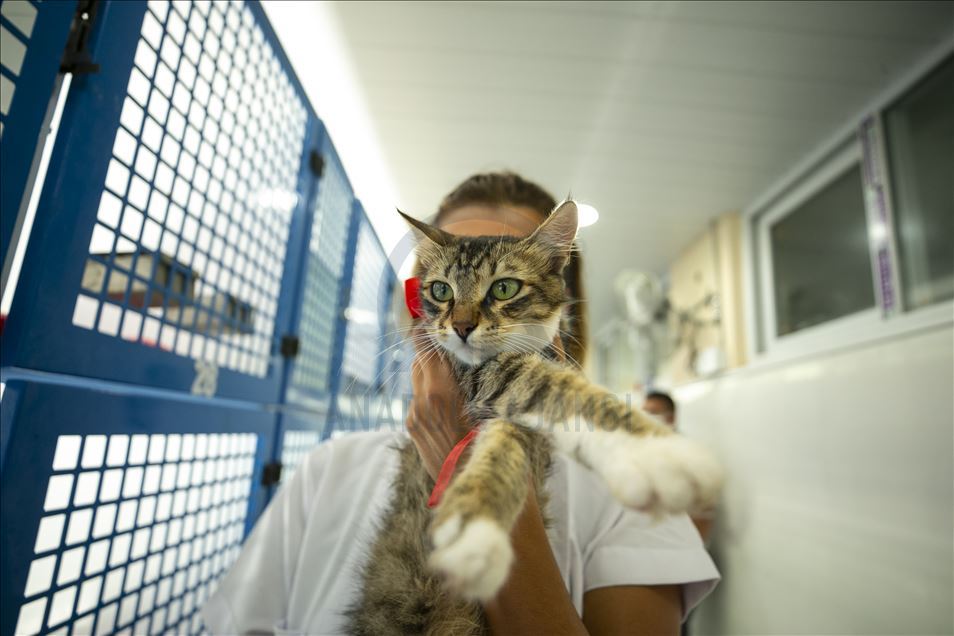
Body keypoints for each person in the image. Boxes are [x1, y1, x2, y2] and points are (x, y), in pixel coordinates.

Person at [202, 172, 719, 635]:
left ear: (559, 314)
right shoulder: (327, 468)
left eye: (506, 288)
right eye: (439, 291)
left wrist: (468, 464)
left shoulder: (636, 489)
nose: (464, 320)